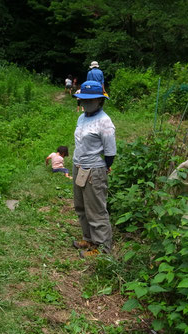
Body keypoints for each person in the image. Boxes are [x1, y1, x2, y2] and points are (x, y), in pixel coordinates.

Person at [72, 81, 116, 257]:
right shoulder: (82, 117)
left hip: (94, 170)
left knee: (96, 210)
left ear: (100, 100)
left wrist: (106, 167)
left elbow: (110, 152)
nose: (87, 103)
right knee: (81, 206)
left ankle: (102, 248)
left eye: (91, 100)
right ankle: (88, 238)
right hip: (78, 166)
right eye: (84, 100)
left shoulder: (104, 122)